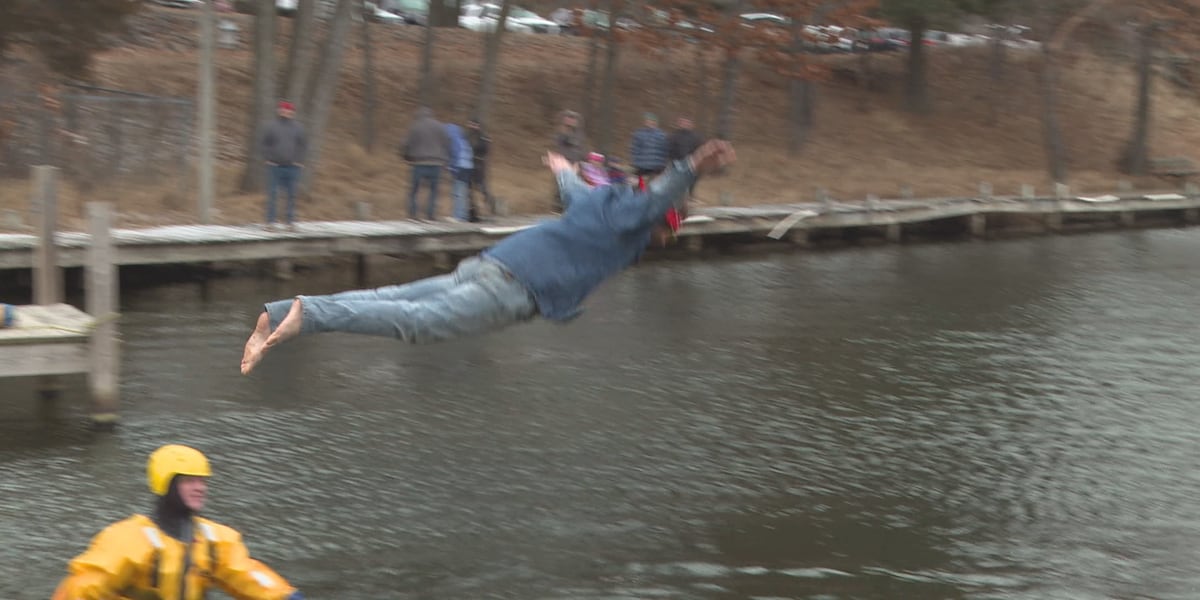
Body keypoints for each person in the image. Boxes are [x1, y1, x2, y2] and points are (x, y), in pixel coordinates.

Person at [240, 139, 737, 375]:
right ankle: (309, 315)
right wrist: (692, 166)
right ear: (660, 226)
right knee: (416, 323)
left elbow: (572, 187)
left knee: (391, 295)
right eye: (671, 233)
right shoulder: (633, 222)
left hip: (490, 262)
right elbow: (659, 196)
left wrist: (563, 167)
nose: (667, 243)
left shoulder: (601, 201)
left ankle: (280, 313)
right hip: (514, 288)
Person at [51, 445, 303, 600]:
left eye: (202, 481)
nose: (199, 488)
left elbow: (246, 574)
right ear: (166, 485)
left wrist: (287, 596)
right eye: (188, 481)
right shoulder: (127, 540)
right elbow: (80, 589)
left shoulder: (213, 540)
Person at [261, 100, 307, 230]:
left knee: (292, 194)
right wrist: (267, 158)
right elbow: (265, 143)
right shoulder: (271, 126)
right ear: (279, 111)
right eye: (283, 110)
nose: (286, 112)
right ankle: (270, 222)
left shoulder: (298, 128)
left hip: (292, 167)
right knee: (273, 194)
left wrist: (300, 160)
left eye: (288, 110)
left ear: (292, 113)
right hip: (275, 166)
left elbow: (303, 145)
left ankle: (290, 222)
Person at [400, 107, 451, 220]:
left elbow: (405, 144)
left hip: (419, 163)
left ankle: (413, 214)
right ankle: (430, 214)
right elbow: (447, 144)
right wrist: (445, 160)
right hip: (437, 163)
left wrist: (406, 157)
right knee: (434, 190)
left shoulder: (415, 127)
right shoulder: (440, 127)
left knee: (414, 190)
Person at [667, 116, 705, 215]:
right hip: (677, 162)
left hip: (691, 162)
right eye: (682, 122)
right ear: (679, 124)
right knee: (678, 182)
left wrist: (697, 159)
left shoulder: (696, 137)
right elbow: (670, 149)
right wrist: (671, 160)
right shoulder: (674, 136)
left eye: (687, 123)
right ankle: (678, 201)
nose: (685, 124)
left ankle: (691, 197)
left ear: (691, 125)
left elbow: (700, 149)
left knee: (692, 180)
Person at [444, 121, 474, 222]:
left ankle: (459, 216)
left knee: (458, 192)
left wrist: (451, 167)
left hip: (460, 167)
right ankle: (462, 215)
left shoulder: (454, 140)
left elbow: (455, 154)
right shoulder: (463, 140)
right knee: (463, 191)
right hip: (468, 167)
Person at [465, 116, 494, 218]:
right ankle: (472, 210)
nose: (471, 126)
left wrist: (473, 149)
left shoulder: (483, 137)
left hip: (479, 165)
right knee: (469, 189)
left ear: (477, 126)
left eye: (473, 124)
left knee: (482, 188)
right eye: (470, 124)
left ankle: (489, 207)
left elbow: (485, 149)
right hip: (468, 164)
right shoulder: (467, 136)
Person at [629, 112, 669, 186]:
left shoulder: (662, 135)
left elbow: (665, 150)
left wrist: (663, 163)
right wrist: (635, 161)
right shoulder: (639, 134)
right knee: (639, 185)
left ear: (656, 123)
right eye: (648, 121)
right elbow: (634, 149)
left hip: (657, 166)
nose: (650, 123)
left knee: (656, 186)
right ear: (645, 122)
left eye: (652, 121)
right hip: (642, 165)